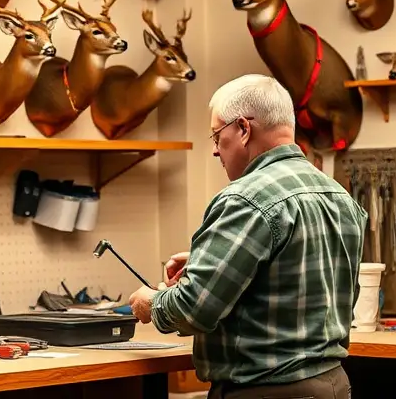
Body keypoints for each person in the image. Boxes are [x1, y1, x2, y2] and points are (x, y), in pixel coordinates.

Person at [128, 74, 368, 399]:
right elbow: (322, 291)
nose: (215, 151)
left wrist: (151, 302)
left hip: (266, 391)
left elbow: (193, 309)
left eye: (217, 136)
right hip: (334, 386)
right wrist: (213, 263)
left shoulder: (245, 199)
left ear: (243, 129)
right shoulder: (339, 197)